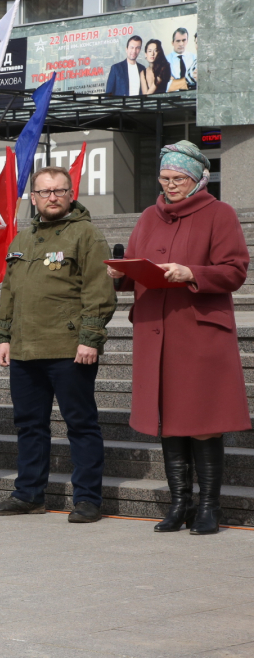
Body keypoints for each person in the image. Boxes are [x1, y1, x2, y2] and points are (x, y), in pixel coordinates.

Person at [107, 141, 250, 535]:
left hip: (199, 334)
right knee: (168, 421)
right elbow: (139, 266)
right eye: (165, 178)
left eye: (178, 179)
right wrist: (121, 276)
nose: (170, 185)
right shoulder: (149, 217)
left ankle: (208, 507)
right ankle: (179, 504)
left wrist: (192, 274)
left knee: (203, 421)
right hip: (157, 334)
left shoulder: (219, 214)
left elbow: (235, 270)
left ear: (197, 179)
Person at [0, 166, 116, 523]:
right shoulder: (21, 240)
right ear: (33, 198)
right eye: (44, 192)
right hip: (25, 349)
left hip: (68, 348)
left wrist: (90, 338)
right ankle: (29, 494)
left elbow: (99, 292)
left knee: (81, 424)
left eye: (59, 191)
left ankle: (88, 499)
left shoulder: (85, 234)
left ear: (70, 194)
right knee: (29, 425)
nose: (52, 197)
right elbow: (10, 293)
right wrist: (3, 337)